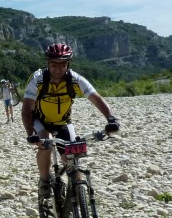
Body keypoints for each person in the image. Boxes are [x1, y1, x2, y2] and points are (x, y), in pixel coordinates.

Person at [21, 43, 120, 198]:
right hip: (41, 121)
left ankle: (79, 194)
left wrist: (111, 119)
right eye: (54, 64)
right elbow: (26, 109)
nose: (58, 69)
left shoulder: (74, 79)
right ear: (48, 63)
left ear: (68, 64)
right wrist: (30, 133)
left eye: (62, 64)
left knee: (72, 158)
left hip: (63, 122)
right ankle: (44, 181)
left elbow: (97, 99)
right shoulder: (38, 79)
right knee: (45, 143)